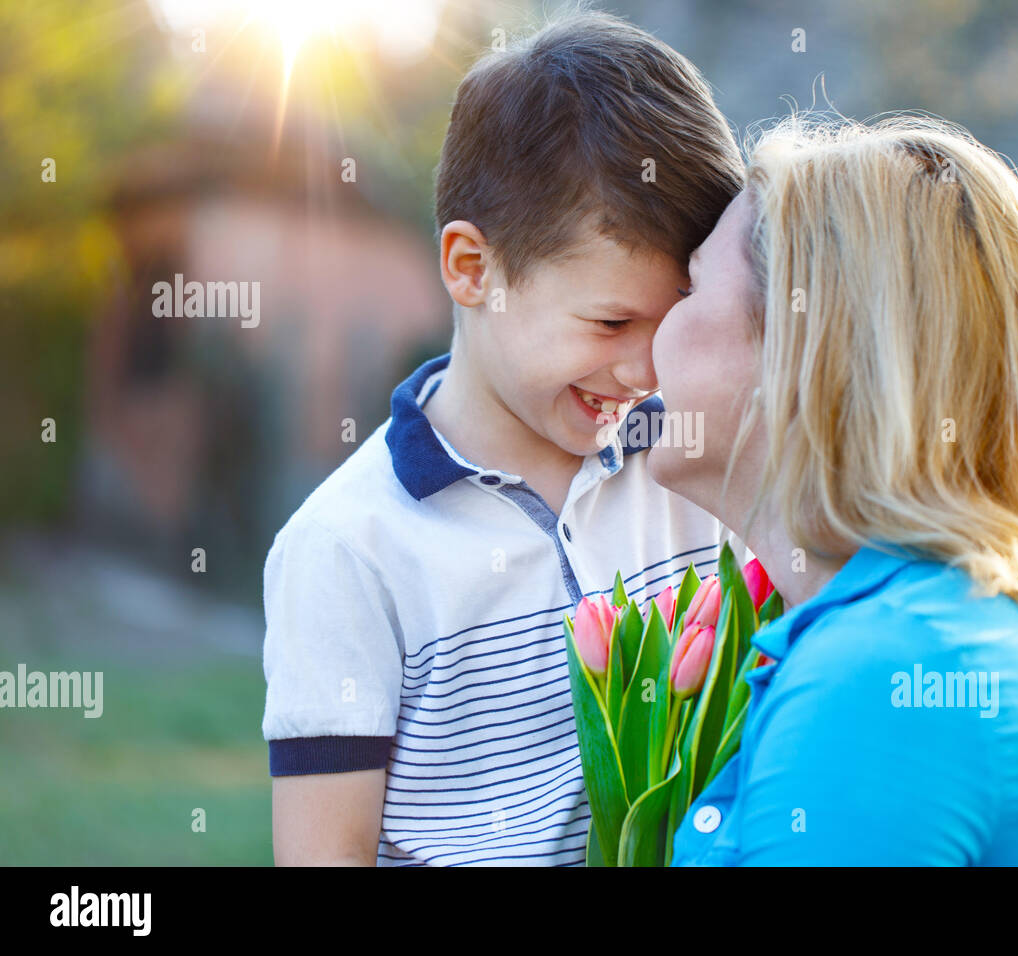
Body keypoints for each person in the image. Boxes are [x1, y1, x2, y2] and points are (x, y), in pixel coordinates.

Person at [262, 11, 746, 866]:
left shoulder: (695, 468)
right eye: (611, 321)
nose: (646, 372)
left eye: (673, 322)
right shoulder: (347, 552)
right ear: (472, 269)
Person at [650, 114, 1018, 865]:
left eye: (690, 286)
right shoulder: (978, 628)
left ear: (799, 349)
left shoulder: (883, 679)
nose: (655, 326)